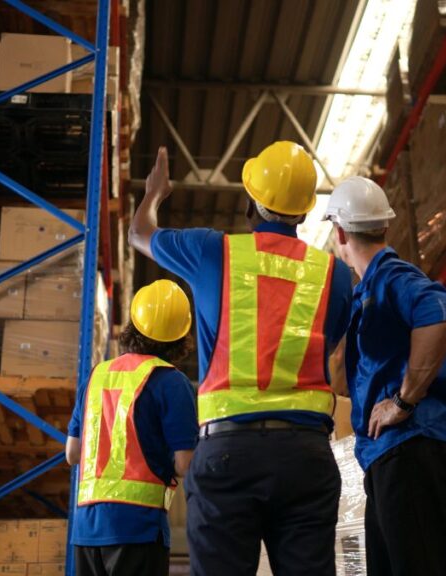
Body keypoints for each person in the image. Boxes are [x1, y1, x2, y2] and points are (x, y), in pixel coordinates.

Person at [129, 141, 353, 576]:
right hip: (306, 457)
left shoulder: (214, 251)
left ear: (252, 200)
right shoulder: (334, 274)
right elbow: (330, 346)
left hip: (227, 453)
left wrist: (155, 195)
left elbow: (140, 233)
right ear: (305, 212)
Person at [323, 176, 446, 576]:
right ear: (384, 226)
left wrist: (403, 401)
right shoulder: (370, 287)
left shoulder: (391, 276)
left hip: (413, 447)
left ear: (339, 231)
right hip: (391, 455)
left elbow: (439, 315)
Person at [66, 279, 199, 576]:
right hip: (138, 529)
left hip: (86, 529)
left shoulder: (96, 376)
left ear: (133, 324)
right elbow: (184, 464)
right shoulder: (171, 382)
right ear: (180, 337)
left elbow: (72, 453)